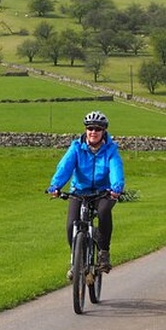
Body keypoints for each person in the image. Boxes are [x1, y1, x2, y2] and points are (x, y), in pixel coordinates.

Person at [47, 111, 125, 273]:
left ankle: (103, 253)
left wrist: (116, 188)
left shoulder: (110, 150)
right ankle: (76, 260)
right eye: (90, 128)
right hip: (80, 191)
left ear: (104, 131)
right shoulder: (76, 148)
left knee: (104, 212)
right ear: (85, 130)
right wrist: (55, 186)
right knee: (71, 225)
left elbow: (116, 169)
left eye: (97, 129)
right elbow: (65, 167)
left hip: (104, 191)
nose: (93, 132)